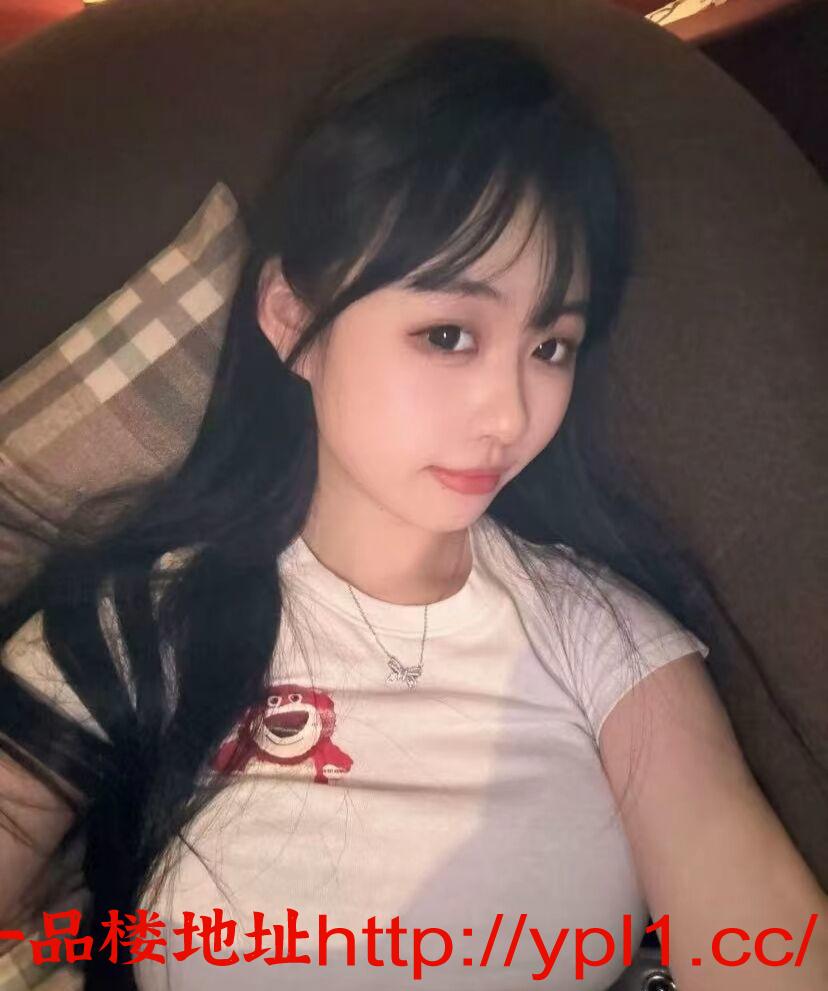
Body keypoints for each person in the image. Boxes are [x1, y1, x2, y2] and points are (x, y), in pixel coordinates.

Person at [0, 33, 825, 991]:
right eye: (448, 334)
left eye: (551, 346)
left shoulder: (604, 639)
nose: (511, 414)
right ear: (291, 320)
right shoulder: (131, 627)